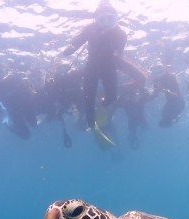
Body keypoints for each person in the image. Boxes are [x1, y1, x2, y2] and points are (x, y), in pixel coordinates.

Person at [62, 3, 145, 133]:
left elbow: (119, 55)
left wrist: (123, 66)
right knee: (88, 97)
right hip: (92, 65)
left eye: (110, 19)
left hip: (109, 65)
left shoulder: (121, 34)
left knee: (112, 97)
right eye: (102, 19)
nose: (106, 23)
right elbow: (78, 40)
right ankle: (90, 121)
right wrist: (70, 49)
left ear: (116, 18)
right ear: (96, 20)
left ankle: (104, 105)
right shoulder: (90, 28)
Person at [0, 62, 37, 139]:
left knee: (35, 124)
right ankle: (8, 125)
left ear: (5, 71)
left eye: (0, 72)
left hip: (27, 105)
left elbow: (31, 88)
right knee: (26, 135)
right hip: (14, 112)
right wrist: (0, 118)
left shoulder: (15, 78)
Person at [116, 81, 151, 149]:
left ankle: (136, 140)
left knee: (145, 128)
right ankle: (132, 141)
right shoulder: (127, 103)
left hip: (141, 119)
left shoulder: (140, 101)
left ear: (138, 95)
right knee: (133, 134)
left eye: (135, 95)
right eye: (132, 95)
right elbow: (117, 103)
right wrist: (124, 93)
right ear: (129, 96)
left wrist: (141, 88)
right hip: (132, 122)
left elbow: (148, 96)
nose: (134, 97)